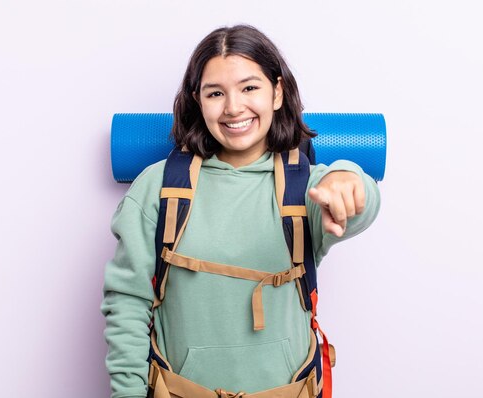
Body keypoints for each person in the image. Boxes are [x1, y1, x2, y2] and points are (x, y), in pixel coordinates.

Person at [101, 24, 381, 398]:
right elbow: (127, 303)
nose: (234, 108)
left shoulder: (307, 187)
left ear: (277, 92)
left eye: (250, 88)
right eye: (216, 93)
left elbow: (357, 207)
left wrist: (350, 179)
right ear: (197, 100)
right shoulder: (159, 187)